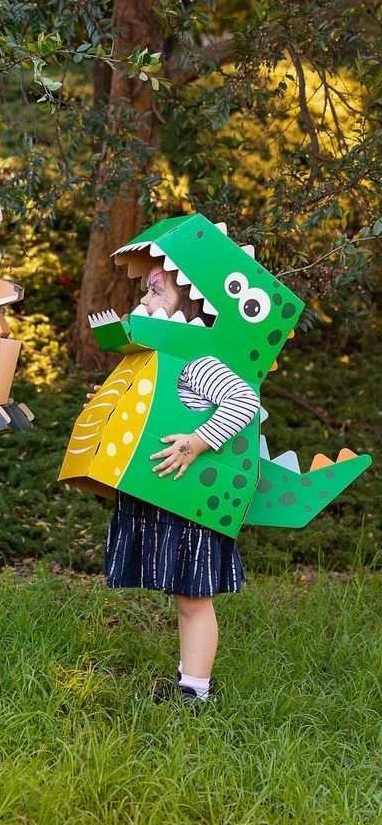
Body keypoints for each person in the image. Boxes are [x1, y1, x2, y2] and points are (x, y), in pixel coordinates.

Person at [96, 264, 260, 705]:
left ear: (188, 306)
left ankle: (196, 692)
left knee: (193, 596)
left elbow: (243, 399)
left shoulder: (197, 360)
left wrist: (198, 440)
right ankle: (188, 682)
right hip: (163, 495)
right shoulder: (155, 360)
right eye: (145, 295)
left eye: (156, 295)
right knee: (182, 595)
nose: (143, 304)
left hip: (190, 501)